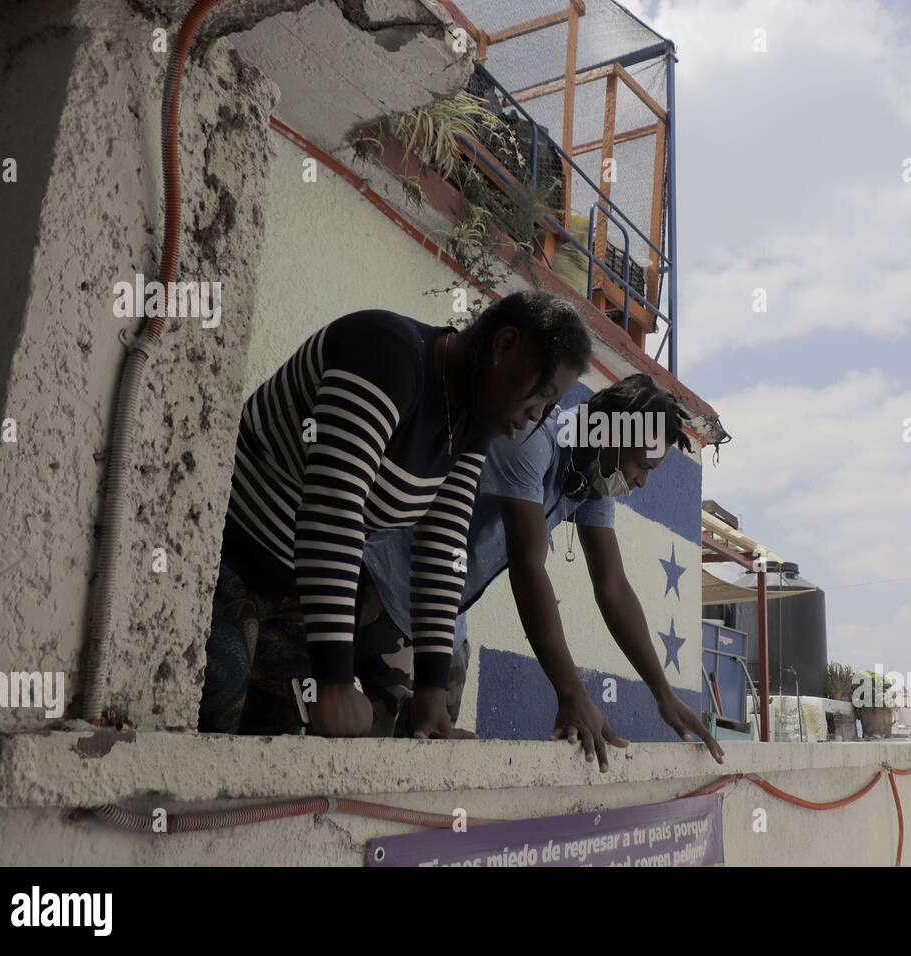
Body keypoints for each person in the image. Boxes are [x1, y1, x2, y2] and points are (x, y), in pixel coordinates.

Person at [197, 291, 592, 738]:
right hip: (222, 561)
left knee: (280, 745)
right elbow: (333, 505)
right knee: (210, 713)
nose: (536, 416)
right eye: (541, 395)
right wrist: (335, 681)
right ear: (504, 346)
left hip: (295, 594)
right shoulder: (386, 353)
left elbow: (443, 547)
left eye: (550, 407)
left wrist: (431, 693)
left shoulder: (470, 423)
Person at [362, 374, 725, 769]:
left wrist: (662, 692)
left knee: (428, 767)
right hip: (390, 598)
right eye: (642, 465)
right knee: (365, 761)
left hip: (448, 624)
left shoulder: (588, 480)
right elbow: (527, 564)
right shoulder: (532, 442)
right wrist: (570, 692)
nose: (641, 481)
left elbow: (613, 585)